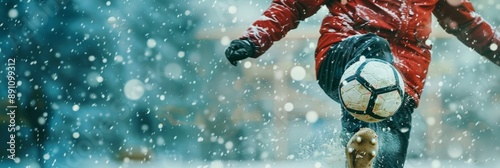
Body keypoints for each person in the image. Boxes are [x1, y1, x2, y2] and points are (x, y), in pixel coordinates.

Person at [225, 0, 500, 167]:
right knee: (375, 49)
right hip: (343, 56)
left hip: (400, 83)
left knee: (388, 158)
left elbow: (469, 24)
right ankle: (357, 141)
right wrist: (254, 39)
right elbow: (293, 4)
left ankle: (365, 159)